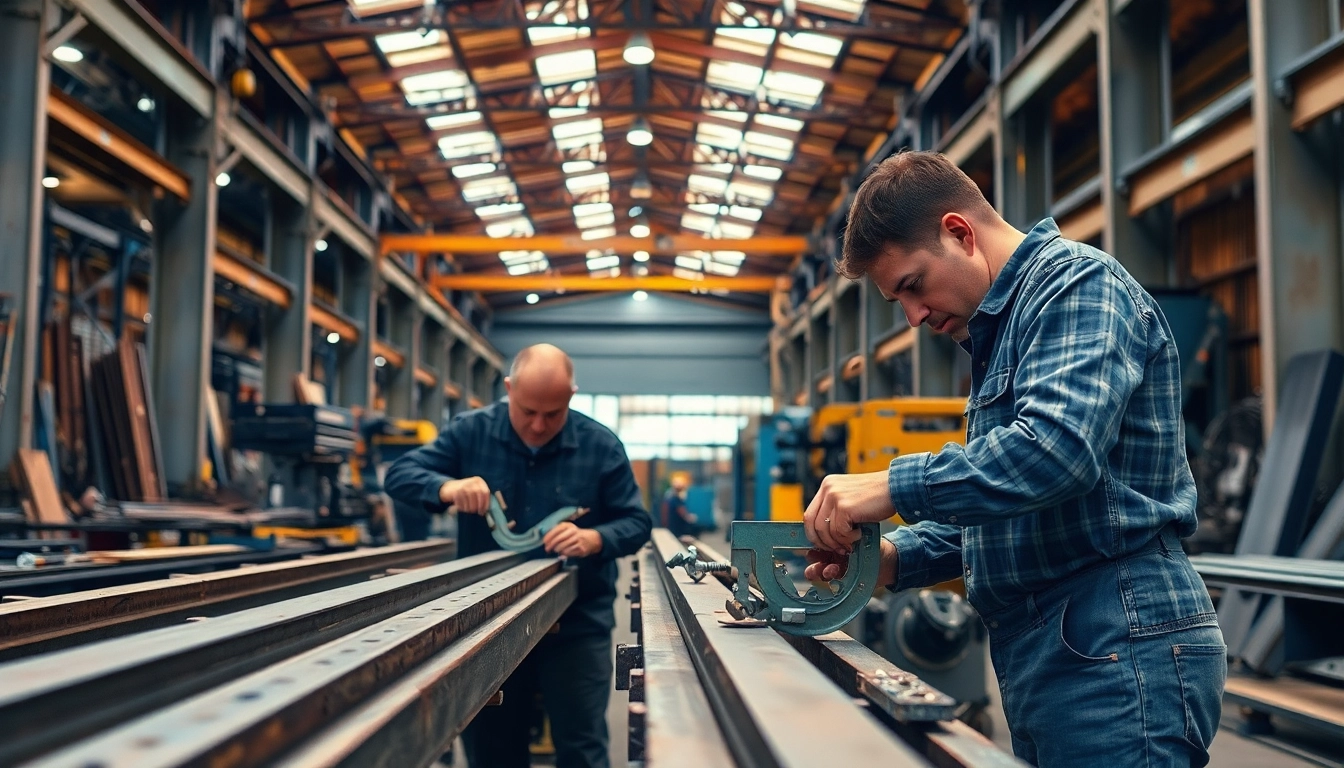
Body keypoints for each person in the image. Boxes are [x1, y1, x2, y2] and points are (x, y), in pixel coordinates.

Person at [802, 150, 1227, 767]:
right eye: (900, 303)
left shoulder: (1079, 288)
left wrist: (892, 485)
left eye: (914, 286)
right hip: (1053, 651)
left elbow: (1056, 453)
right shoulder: (1000, 334)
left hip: (1115, 642)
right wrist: (891, 559)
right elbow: (1009, 510)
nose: (916, 316)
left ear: (959, 232)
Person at [384, 343, 652, 768]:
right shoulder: (470, 432)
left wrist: (594, 539)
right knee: (493, 750)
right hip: (487, 622)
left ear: (572, 396)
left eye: (553, 413)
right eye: (527, 411)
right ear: (508, 388)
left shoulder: (601, 446)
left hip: (577, 624)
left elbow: (636, 522)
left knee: (582, 747)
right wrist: (445, 488)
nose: (539, 425)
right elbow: (399, 475)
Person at [660, 472, 698, 539]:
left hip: (671, 529)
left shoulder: (669, 498)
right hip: (677, 533)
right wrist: (691, 518)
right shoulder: (676, 500)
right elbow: (683, 515)